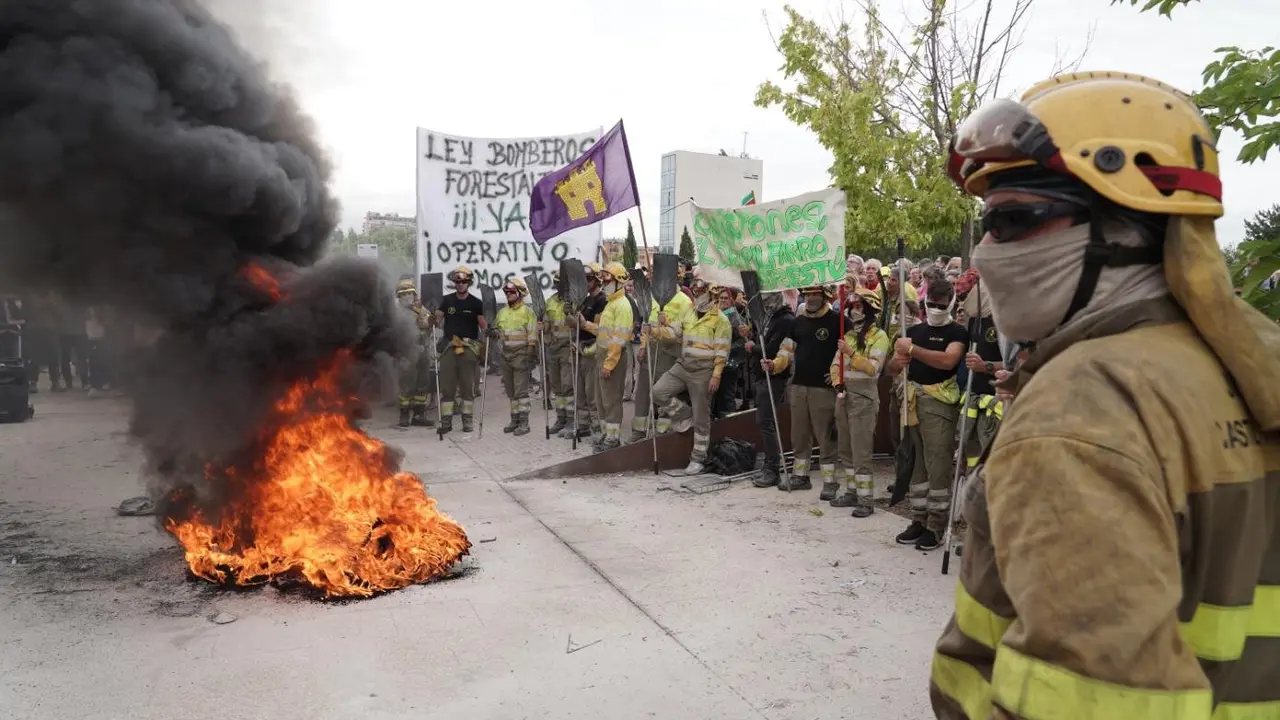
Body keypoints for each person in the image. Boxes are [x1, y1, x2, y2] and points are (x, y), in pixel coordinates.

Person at [930, 71, 1280, 719]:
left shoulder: (1081, 411)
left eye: (1013, 220)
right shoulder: (1243, 367)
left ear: (1126, 233)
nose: (984, 254)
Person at [887, 280, 966, 550]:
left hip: (940, 405)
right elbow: (892, 369)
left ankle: (936, 526)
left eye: (941, 305)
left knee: (938, 465)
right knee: (916, 465)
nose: (935, 309)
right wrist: (898, 360)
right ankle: (918, 520)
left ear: (951, 303)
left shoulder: (957, 332)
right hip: (912, 403)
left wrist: (912, 349)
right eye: (931, 304)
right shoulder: (914, 331)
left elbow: (948, 361)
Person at [651, 278, 731, 474]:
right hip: (683, 365)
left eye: (701, 292)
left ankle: (698, 458)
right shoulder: (689, 312)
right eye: (695, 293)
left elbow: (722, 351)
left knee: (702, 417)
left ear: (711, 294)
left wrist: (716, 375)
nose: (696, 296)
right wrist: (656, 330)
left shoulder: (721, 320)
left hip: (704, 371)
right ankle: (686, 415)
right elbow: (674, 333)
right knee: (657, 392)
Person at [767, 284, 840, 493]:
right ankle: (800, 476)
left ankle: (830, 481)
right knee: (799, 435)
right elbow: (787, 350)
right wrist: (774, 365)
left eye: (815, 294)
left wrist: (838, 375)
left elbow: (846, 352)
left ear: (825, 296)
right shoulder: (798, 322)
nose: (810, 298)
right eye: (807, 294)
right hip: (799, 386)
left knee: (825, 436)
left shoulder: (837, 322)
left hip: (823, 389)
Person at [830, 286, 890, 517]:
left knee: (861, 451)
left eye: (858, 306)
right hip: (844, 397)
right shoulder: (849, 336)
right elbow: (836, 364)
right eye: (851, 306)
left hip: (864, 399)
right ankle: (852, 491)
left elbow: (873, 368)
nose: (854, 311)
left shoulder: (879, 337)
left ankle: (866, 500)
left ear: (868, 309)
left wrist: (852, 354)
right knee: (845, 448)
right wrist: (837, 384)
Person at [629, 268, 695, 441]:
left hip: (669, 353)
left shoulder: (685, 302)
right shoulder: (653, 297)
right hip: (651, 349)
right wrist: (643, 346)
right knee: (643, 391)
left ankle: (662, 430)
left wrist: (667, 323)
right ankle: (639, 430)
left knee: (663, 393)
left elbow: (684, 332)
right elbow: (646, 324)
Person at [581, 262, 634, 451]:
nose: (604, 282)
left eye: (608, 278)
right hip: (602, 356)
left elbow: (618, 341)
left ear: (619, 281)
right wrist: (585, 324)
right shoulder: (611, 303)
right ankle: (605, 434)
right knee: (602, 400)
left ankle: (613, 439)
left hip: (614, 359)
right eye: (603, 278)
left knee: (611, 401)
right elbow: (604, 332)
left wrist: (609, 365)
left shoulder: (623, 306)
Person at [751, 290, 795, 488]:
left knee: (767, 421)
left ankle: (773, 468)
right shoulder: (772, 317)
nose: (765, 305)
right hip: (762, 375)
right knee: (764, 421)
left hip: (774, 377)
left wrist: (752, 348)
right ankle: (769, 465)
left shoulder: (785, 320)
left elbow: (770, 349)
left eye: (767, 301)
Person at [435, 265, 485, 434]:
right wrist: (431, 318)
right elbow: (437, 321)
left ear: (469, 283)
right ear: (454, 283)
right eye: (458, 281)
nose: (461, 284)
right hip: (449, 348)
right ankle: (446, 423)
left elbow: (484, 325)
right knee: (447, 389)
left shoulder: (476, 303)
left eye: (464, 281)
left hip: (468, 348)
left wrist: (490, 331)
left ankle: (467, 422)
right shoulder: (447, 300)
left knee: (467, 388)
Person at [566, 262, 607, 441]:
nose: (586, 282)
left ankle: (597, 428)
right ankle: (583, 426)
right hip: (577, 347)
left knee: (592, 393)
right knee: (579, 391)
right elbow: (573, 325)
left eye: (589, 278)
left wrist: (582, 322)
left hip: (591, 350)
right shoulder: (583, 299)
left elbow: (598, 328)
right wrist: (568, 315)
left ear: (597, 279)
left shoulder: (602, 301)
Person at [493, 277, 538, 436]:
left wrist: (531, 351)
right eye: (506, 292)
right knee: (511, 391)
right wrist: (493, 333)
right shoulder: (502, 312)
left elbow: (533, 333)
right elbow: (498, 332)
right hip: (506, 354)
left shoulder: (528, 312)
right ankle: (515, 420)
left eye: (512, 292)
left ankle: (524, 423)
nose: (508, 294)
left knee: (521, 392)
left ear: (520, 293)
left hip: (521, 354)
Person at [395, 279, 436, 428]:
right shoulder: (395, 312)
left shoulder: (420, 309)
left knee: (423, 383)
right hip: (406, 353)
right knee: (406, 384)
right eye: (404, 294)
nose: (407, 297)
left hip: (423, 351)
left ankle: (419, 414)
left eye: (410, 293)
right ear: (398, 297)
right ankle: (404, 414)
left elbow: (429, 323)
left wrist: (429, 321)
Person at [543, 271, 574, 435]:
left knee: (568, 385)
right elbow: (547, 324)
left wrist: (572, 312)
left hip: (568, 347)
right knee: (557, 387)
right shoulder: (550, 301)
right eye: (557, 285)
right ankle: (560, 418)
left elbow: (579, 324)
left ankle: (571, 421)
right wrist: (542, 326)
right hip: (553, 348)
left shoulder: (574, 301)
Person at [712, 285, 747, 419]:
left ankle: (729, 424)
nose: (723, 300)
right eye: (720, 298)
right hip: (715, 362)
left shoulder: (737, 318)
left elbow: (742, 342)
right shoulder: (715, 315)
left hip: (730, 363)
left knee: (726, 395)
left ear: (732, 300)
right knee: (715, 394)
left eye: (726, 298)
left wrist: (726, 350)